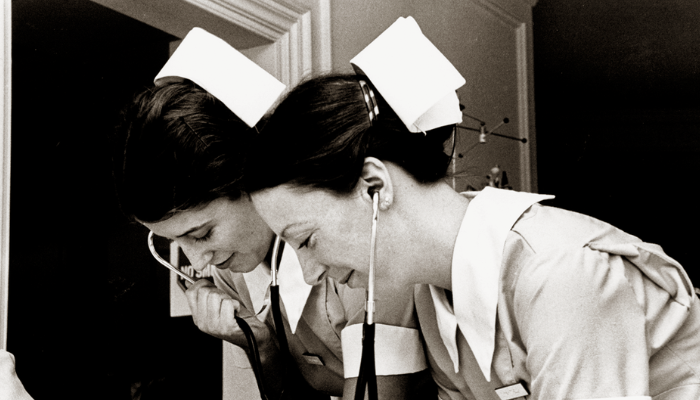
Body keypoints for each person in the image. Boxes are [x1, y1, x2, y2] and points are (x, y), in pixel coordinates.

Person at [245, 17, 700, 400]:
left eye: (306, 240)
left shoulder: (561, 273)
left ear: (373, 185)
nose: (308, 272)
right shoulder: (429, 293)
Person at [112, 27, 434, 399]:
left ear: (250, 181)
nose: (199, 263)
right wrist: (259, 346)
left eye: (201, 234)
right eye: (170, 241)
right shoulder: (235, 267)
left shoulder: (352, 244)